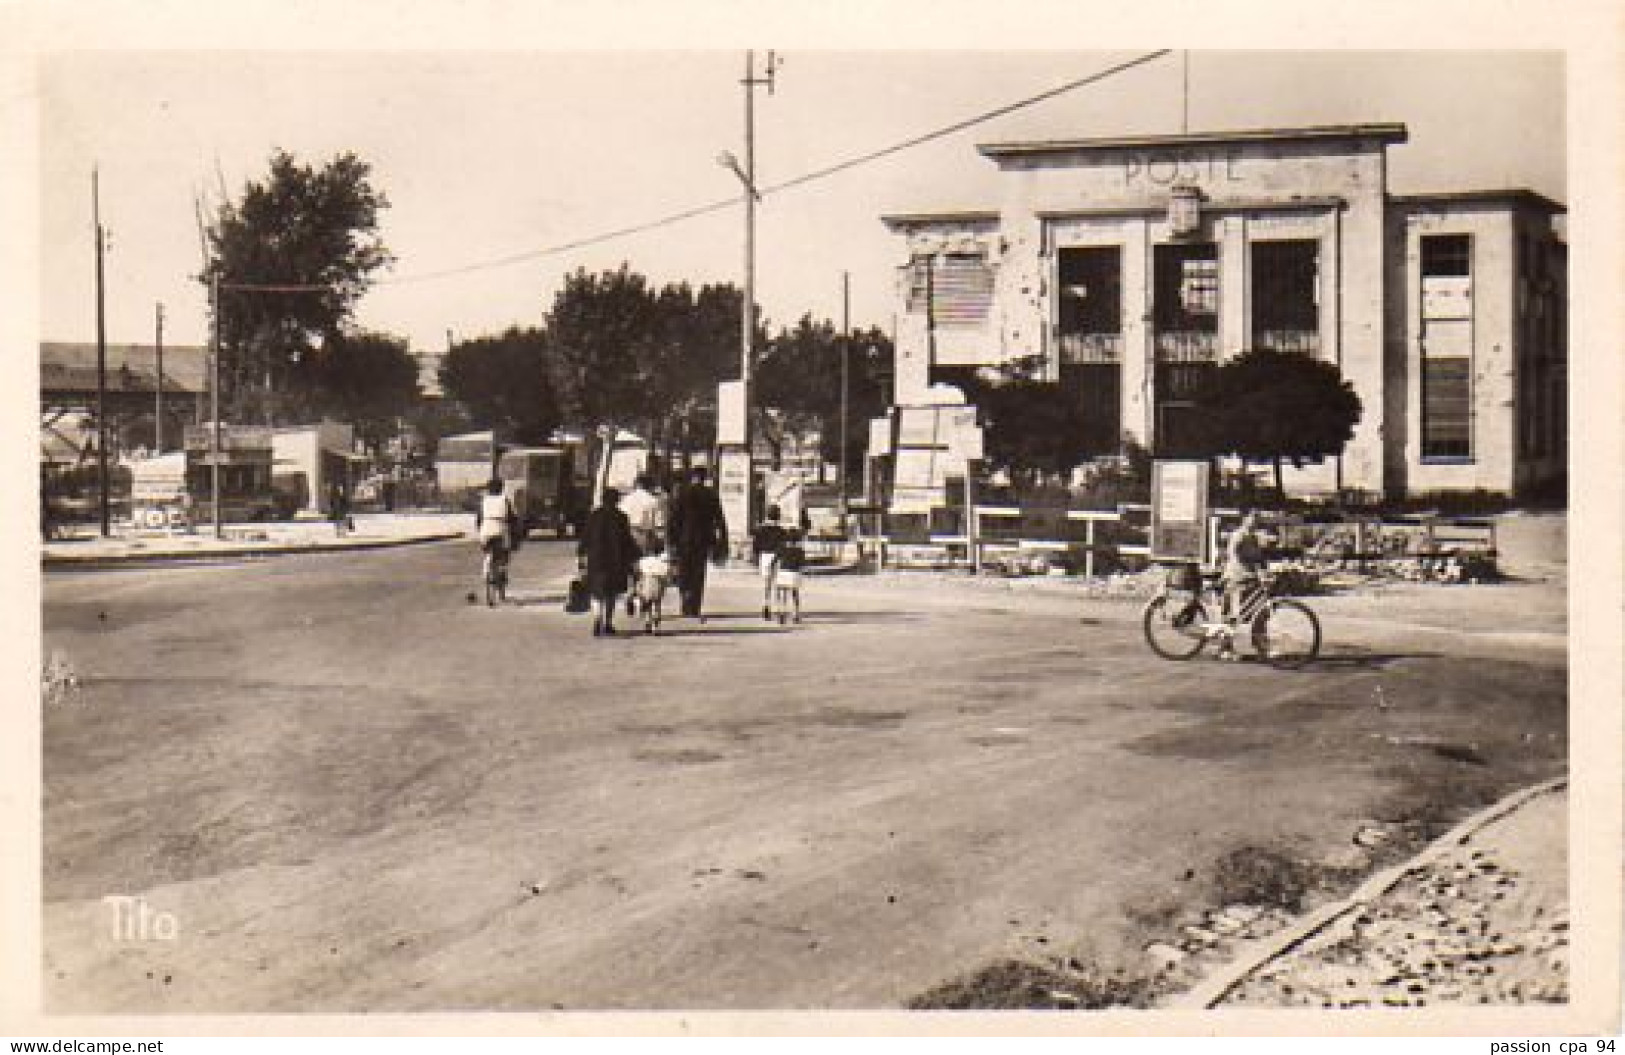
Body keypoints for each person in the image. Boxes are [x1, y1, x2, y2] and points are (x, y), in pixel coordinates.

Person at [667, 466, 728, 620]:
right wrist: (722, 541)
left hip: (683, 540)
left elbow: (673, 519)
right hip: (703, 540)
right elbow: (720, 520)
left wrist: (671, 540)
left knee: (684, 571)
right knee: (698, 573)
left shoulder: (682, 494)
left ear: (692, 478)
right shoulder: (711, 495)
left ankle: (685, 599)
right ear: (704, 478)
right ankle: (695, 606)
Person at [578, 487, 640, 637]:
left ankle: (597, 617)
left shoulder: (594, 516)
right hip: (616, 561)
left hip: (596, 560)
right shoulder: (621, 517)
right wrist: (636, 556)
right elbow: (627, 540)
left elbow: (585, 537)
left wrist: (581, 555)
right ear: (617, 500)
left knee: (597, 593)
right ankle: (608, 623)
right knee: (611, 593)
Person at [1216, 508, 1266, 661]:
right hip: (1236, 578)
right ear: (1245, 519)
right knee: (1232, 614)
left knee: (1261, 611)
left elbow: (1258, 558)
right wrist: (1251, 569)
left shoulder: (1253, 537)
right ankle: (1225, 649)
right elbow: (1234, 555)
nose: (1256, 521)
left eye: (1258, 518)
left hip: (1250, 579)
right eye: (1253, 517)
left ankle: (1259, 645)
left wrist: (1265, 569)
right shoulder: (1238, 535)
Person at [620, 473, 665, 615]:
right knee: (646, 569)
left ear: (636, 484)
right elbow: (659, 524)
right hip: (646, 536)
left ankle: (630, 592)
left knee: (630, 567)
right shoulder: (653, 501)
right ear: (648, 485)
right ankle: (643, 597)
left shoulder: (626, 500)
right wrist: (660, 542)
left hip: (628, 535)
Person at [475, 477, 518, 598]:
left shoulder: (483, 501)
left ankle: (487, 572)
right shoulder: (505, 500)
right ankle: (502, 572)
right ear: (501, 488)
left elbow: (478, 518)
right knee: (505, 553)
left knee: (487, 551)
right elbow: (512, 518)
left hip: (486, 530)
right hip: (500, 529)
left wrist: (480, 531)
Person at [751, 504, 789, 621]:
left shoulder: (760, 529)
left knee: (767, 584)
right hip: (778, 557)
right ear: (778, 516)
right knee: (779, 585)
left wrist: (756, 559)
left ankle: (766, 606)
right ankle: (779, 610)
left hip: (765, 556)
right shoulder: (782, 531)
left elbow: (756, 546)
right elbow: (784, 546)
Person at [631, 538, 672, 634]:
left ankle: (648, 622)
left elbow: (637, 572)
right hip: (658, 588)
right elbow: (667, 574)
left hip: (646, 588)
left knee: (648, 606)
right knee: (657, 606)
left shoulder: (643, 561)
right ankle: (656, 626)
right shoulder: (662, 563)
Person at [773, 526, 807, 625]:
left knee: (782, 593)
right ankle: (796, 614)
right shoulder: (800, 551)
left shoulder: (781, 549)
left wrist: (774, 571)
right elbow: (803, 564)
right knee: (795, 594)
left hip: (783, 572)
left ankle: (782, 613)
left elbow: (774, 561)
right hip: (794, 573)